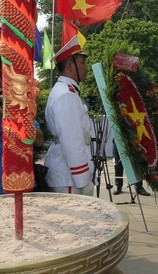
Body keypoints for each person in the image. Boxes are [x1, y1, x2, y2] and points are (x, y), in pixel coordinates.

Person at [44, 36, 95, 195]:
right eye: (83, 63)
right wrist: (83, 180)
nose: (86, 67)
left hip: (67, 174)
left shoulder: (64, 91)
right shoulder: (66, 94)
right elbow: (72, 140)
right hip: (69, 177)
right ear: (70, 66)